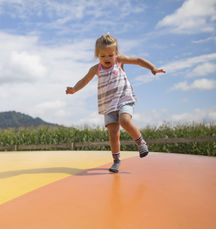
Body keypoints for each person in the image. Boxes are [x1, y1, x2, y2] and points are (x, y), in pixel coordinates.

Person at [66, 33, 165, 173]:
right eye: (103, 56)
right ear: (97, 55)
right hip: (108, 104)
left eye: (110, 55)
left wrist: (152, 68)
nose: (107, 58)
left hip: (124, 98)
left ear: (116, 53)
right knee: (113, 133)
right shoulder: (96, 69)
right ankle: (116, 161)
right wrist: (75, 89)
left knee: (124, 120)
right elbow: (84, 80)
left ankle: (140, 141)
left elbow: (137, 60)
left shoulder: (119, 61)